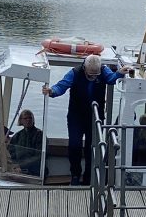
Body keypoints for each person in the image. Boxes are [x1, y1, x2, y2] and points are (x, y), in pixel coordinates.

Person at [43, 54, 129, 184]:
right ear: (84, 68)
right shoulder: (75, 73)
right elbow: (62, 86)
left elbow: (111, 79)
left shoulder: (103, 70)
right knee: (74, 145)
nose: (93, 78)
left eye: (96, 75)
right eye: (90, 76)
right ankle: (75, 175)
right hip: (76, 116)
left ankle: (89, 177)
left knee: (92, 147)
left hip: (95, 117)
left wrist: (119, 73)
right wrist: (52, 91)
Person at [10, 109, 44, 175]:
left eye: (30, 118)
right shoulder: (17, 136)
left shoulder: (39, 135)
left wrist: (22, 166)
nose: (28, 120)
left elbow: (40, 156)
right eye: (25, 118)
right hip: (18, 168)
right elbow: (11, 152)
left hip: (35, 169)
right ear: (21, 120)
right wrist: (15, 165)